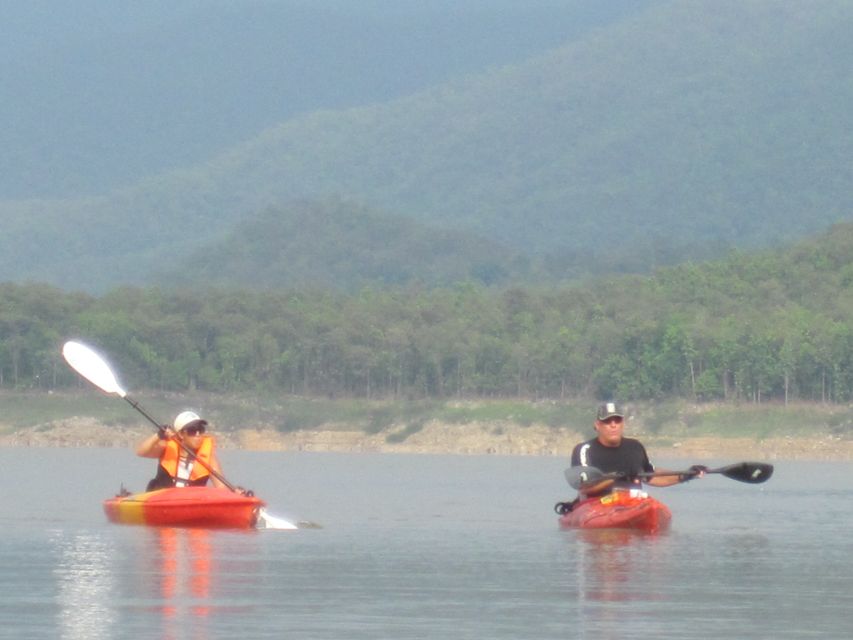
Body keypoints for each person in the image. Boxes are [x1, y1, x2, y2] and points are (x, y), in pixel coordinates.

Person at [569, 401, 705, 499]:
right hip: (596, 505)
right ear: (597, 425)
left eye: (617, 421)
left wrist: (686, 474)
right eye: (607, 421)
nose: (613, 425)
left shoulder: (635, 447)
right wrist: (616, 476)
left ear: (623, 424)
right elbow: (586, 488)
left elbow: (650, 476)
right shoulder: (584, 450)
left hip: (632, 502)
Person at [136, 410, 227, 492]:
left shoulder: (209, 458)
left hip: (190, 504)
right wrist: (158, 435)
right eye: (192, 431)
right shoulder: (167, 447)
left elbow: (222, 488)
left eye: (201, 430)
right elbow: (141, 452)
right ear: (181, 434)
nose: (198, 435)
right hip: (161, 500)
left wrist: (235, 494)